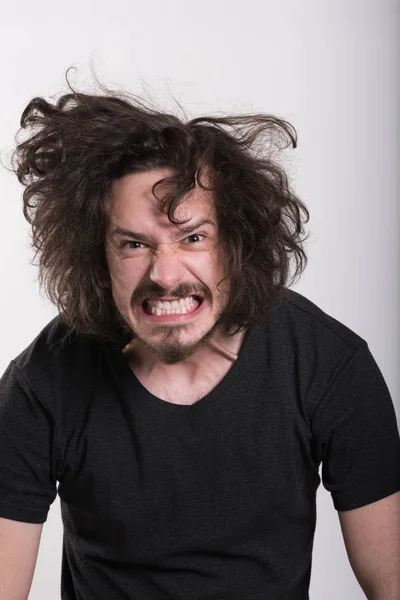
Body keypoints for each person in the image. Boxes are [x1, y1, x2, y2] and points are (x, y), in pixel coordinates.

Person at [0, 84, 399, 600]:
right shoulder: (43, 382)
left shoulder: (326, 364)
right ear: (97, 257)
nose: (165, 275)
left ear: (235, 242)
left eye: (192, 237)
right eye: (134, 244)